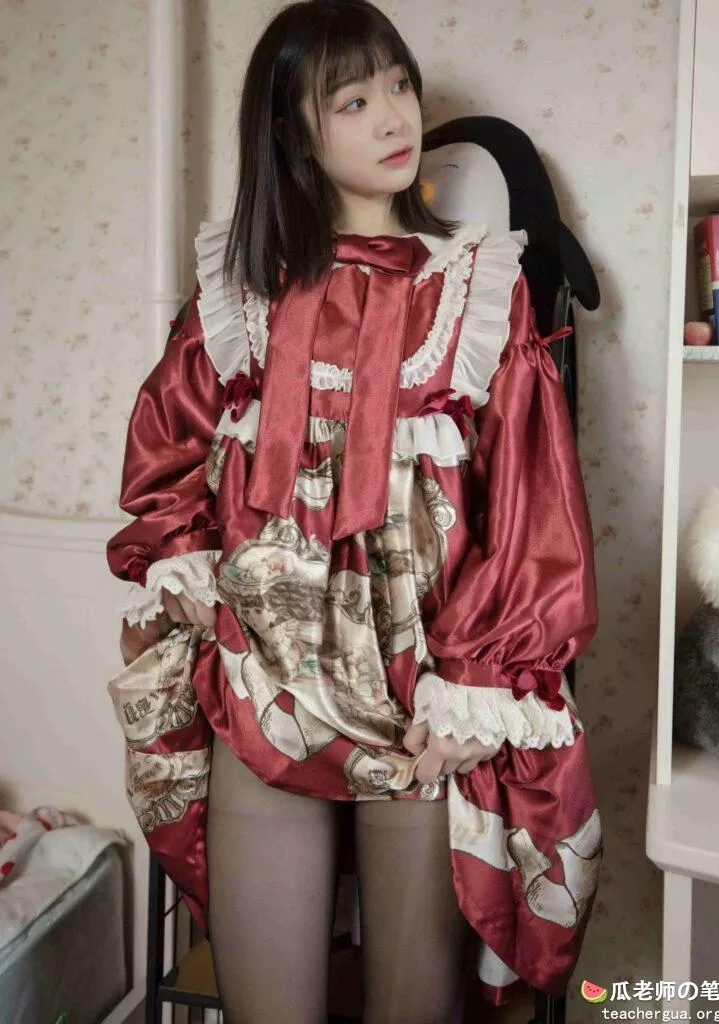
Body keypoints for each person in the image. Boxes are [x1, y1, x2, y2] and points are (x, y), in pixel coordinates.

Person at [106, 1, 603, 1021]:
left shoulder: (477, 288)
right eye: (353, 99)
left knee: (414, 1007)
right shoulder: (240, 295)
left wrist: (482, 682)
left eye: (399, 85)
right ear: (292, 130)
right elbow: (167, 445)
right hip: (267, 684)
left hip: (420, 699)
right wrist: (193, 573)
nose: (394, 114)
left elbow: (533, 497)